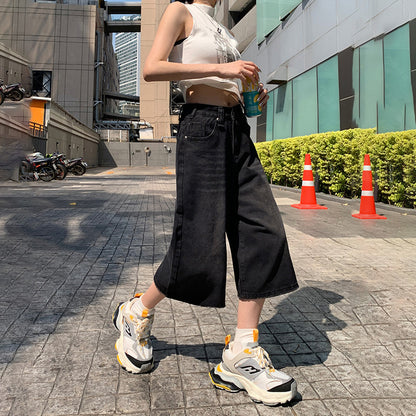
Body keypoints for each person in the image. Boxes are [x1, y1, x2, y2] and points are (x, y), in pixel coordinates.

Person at [112, 0, 299, 406]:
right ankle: (136, 312)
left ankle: (242, 352)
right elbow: (152, 68)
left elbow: (231, 79)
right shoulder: (181, 11)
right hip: (203, 128)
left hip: (237, 130)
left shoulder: (223, 31)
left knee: (265, 232)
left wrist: (248, 91)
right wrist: (221, 70)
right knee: (200, 239)